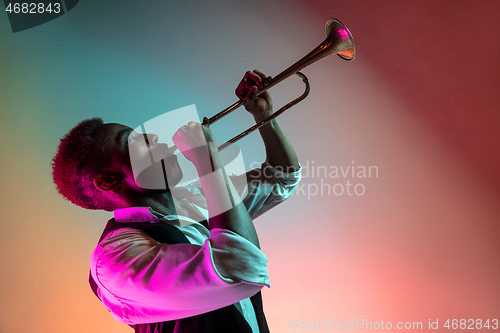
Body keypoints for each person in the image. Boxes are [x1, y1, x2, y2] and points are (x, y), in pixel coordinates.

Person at [52, 70, 302, 333]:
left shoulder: (192, 199)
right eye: (132, 141)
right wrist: (207, 160)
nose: (153, 138)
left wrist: (265, 117)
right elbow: (245, 269)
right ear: (109, 181)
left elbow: (281, 179)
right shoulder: (114, 260)